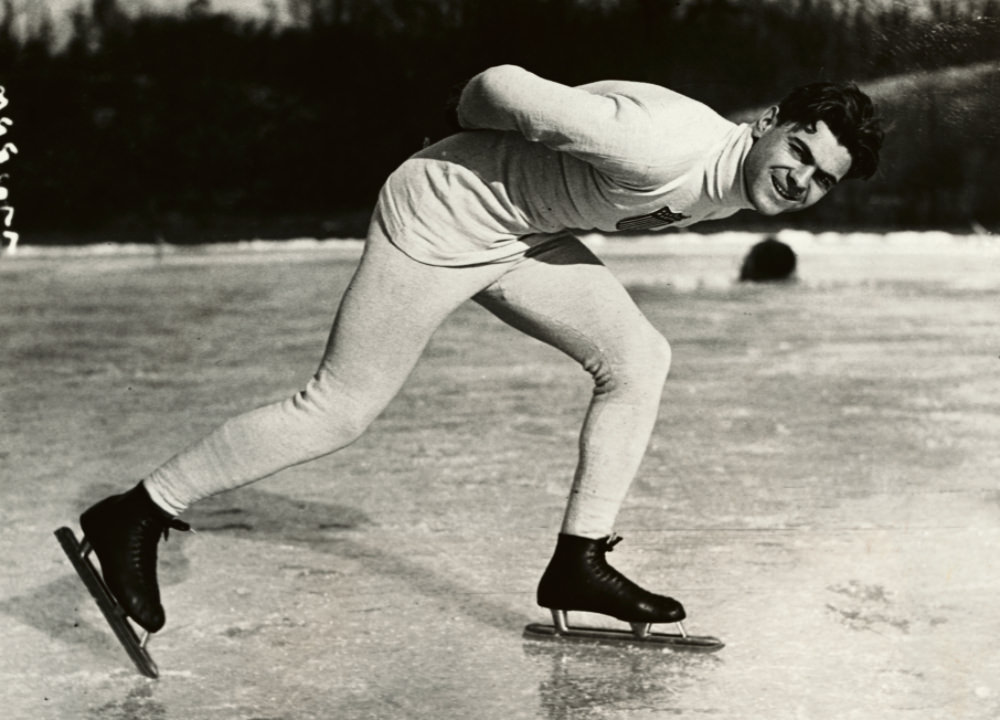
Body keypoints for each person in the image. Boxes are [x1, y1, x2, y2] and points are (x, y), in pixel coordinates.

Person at [77, 65, 884, 638]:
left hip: (516, 234)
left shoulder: (730, 178)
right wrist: (458, 120)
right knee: (340, 407)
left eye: (821, 179)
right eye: (799, 153)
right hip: (439, 213)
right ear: (770, 123)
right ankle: (137, 512)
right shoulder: (662, 148)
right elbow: (501, 86)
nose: (800, 180)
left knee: (639, 359)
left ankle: (578, 562)